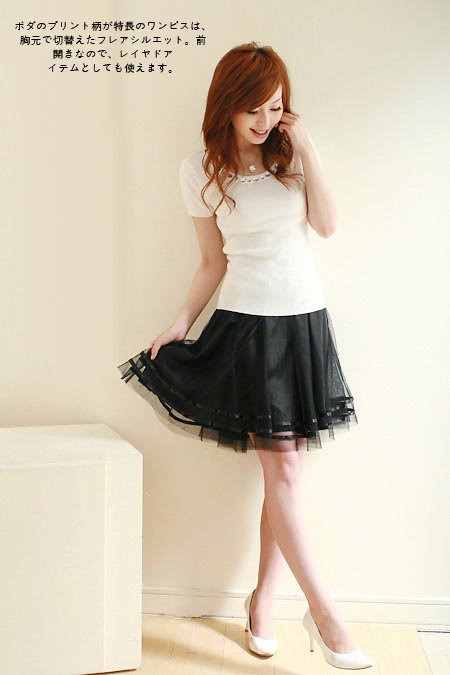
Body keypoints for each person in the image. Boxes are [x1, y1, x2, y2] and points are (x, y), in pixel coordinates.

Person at [117, 42, 373, 669]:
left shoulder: (292, 158)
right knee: (282, 472)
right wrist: (180, 323)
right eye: (253, 109)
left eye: (275, 107)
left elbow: (328, 226)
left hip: (303, 324)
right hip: (248, 331)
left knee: (284, 476)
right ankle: (326, 616)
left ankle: (262, 601)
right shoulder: (199, 172)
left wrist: (307, 148)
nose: (265, 121)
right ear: (227, 107)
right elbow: (212, 261)